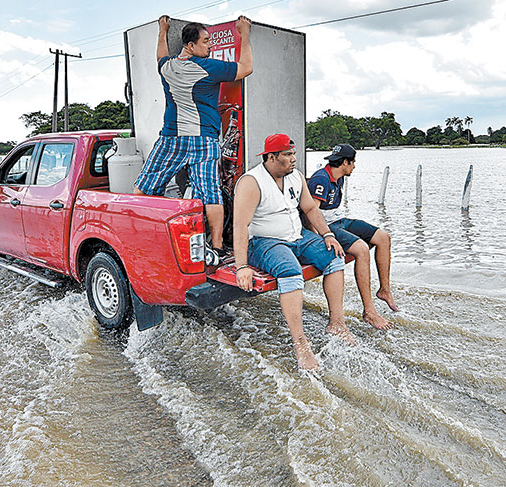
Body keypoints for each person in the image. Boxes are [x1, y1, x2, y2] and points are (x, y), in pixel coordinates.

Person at [134, 14, 254, 264]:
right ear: (191, 46)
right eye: (206, 41)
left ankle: (140, 234)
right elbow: (246, 68)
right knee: (210, 194)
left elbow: (160, 54)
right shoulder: (208, 67)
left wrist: (162, 31)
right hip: (203, 140)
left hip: (171, 138)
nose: (210, 46)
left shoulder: (166, 67)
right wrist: (244, 35)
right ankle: (218, 247)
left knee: (144, 187)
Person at [234, 134, 352, 371]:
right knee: (291, 271)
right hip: (266, 241)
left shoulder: (295, 176)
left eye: (293, 154)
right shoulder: (252, 182)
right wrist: (241, 267)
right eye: (287, 155)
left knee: (334, 257)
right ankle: (300, 343)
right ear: (271, 157)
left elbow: (309, 207)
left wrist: (327, 234)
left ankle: (337, 323)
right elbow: (240, 225)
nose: (293, 159)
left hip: (298, 236)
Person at [306, 144, 398, 329]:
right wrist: (320, 240)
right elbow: (310, 213)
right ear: (345, 162)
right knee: (362, 250)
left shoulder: (338, 177)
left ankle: (384, 290)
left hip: (339, 220)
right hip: (327, 227)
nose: (354, 166)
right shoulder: (321, 180)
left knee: (383, 237)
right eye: (353, 162)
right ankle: (369, 312)